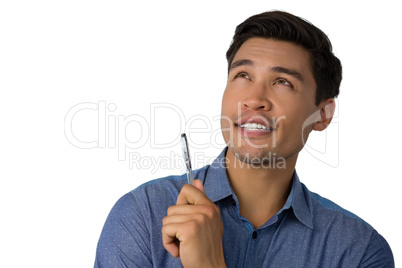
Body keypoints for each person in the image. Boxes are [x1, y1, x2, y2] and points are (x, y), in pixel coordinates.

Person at [94, 11, 394, 267]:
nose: (254, 99)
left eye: (282, 82)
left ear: (323, 114)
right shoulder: (142, 216)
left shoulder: (358, 251)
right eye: (243, 76)